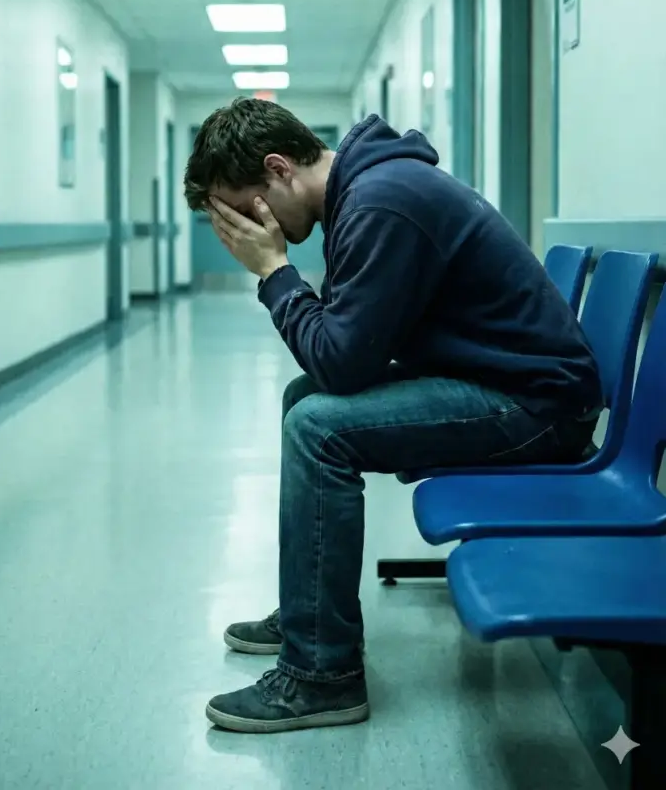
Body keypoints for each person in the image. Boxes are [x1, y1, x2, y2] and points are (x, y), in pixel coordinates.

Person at [183, 97, 602, 735]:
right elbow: (341, 348)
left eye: (244, 210)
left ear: (278, 169)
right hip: (501, 381)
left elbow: (342, 362)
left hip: (537, 406)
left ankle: (322, 675)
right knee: (305, 402)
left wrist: (273, 273)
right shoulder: (369, 192)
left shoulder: (382, 201)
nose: (245, 231)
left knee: (316, 425)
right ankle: (309, 615)